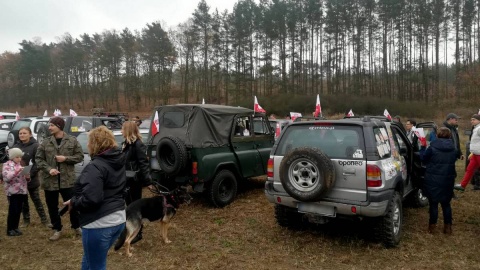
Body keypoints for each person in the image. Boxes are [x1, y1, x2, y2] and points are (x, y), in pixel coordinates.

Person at [64, 126, 126, 270]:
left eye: (89, 141)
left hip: (99, 224)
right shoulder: (117, 161)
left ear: (95, 144)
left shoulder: (96, 166)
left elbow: (92, 199)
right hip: (118, 219)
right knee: (91, 260)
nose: (87, 144)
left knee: (96, 265)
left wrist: (74, 202)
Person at [35, 117, 84, 241]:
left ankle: (76, 226)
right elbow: (38, 159)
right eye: (49, 125)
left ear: (59, 126)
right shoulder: (45, 142)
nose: (49, 127)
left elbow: (80, 156)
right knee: (52, 206)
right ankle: (57, 229)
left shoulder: (72, 140)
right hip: (49, 181)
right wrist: (49, 169)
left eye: (52, 125)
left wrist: (66, 159)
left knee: (73, 204)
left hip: (67, 180)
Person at [419, 127, 457, 235]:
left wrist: (422, 148)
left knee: (433, 204)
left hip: (433, 179)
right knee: (446, 204)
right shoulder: (453, 148)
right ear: (449, 136)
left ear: (437, 135)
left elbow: (423, 158)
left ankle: (432, 227)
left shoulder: (432, 148)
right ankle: (448, 228)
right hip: (448, 179)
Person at [121, 121, 152, 243]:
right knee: (129, 207)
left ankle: (138, 233)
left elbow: (144, 164)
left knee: (135, 207)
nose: (121, 131)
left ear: (128, 130)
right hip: (126, 181)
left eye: (123, 129)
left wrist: (148, 181)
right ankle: (132, 230)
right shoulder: (126, 144)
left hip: (134, 182)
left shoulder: (138, 145)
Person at [14, 127, 50, 227]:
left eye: (24, 133)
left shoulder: (35, 146)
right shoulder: (16, 146)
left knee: (37, 200)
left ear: (30, 134)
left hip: (32, 180)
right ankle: (26, 220)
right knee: (23, 202)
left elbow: (38, 162)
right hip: (20, 181)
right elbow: (12, 162)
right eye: (20, 133)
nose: (22, 135)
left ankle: (45, 220)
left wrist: (30, 174)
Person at [2, 148, 28, 236]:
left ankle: (15, 227)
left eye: (20, 157)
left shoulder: (20, 164)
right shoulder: (7, 165)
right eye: (17, 157)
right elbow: (6, 178)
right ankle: (10, 229)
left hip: (22, 190)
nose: (19, 159)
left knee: (18, 210)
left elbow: (25, 179)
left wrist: (27, 176)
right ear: (12, 157)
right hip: (12, 191)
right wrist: (17, 171)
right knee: (13, 210)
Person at [455, 114, 480, 191]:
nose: (471, 121)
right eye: (471, 119)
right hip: (475, 154)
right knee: (469, 169)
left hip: (479, 155)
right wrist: (472, 152)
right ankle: (462, 185)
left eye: (474, 119)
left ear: (479, 120)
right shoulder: (476, 128)